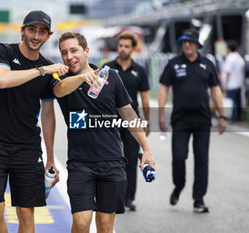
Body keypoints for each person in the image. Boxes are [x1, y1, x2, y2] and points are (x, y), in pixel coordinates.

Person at [0, 10, 69, 233]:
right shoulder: (4, 51)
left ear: (48, 36)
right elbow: (3, 80)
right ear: (22, 31)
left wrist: (50, 157)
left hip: (27, 146)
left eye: (42, 32)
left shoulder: (48, 68)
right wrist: (41, 70)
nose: (36, 36)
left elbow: (47, 114)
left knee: (26, 212)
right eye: (32, 30)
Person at [53, 31, 155, 233]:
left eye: (74, 50)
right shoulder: (61, 78)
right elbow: (60, 90)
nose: (69, 56)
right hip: (80, 163)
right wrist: (83, 77)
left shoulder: (111, 77)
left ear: (86, 51)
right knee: (81, 222)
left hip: (112, 161)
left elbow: (128, 114)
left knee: (105, 225)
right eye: (64, 52)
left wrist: (147, 149)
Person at [158, 28, 226, 213]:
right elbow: (164, 88)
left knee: (202, 159)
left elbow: (216, 90)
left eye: (190, 41)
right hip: (180, 119)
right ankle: (179, 186)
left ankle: (199, 199)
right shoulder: (173, 64)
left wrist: (221, 115)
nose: (186, 44)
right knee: (179, 157)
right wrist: (161, 114)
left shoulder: (207, 64)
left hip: (203, 119)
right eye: (184, 41)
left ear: (197, 44)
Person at [103, 31, 150, 211]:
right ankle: (113, 196)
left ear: (133, 48)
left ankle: (128, 197)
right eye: (120, 45)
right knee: (112, 158)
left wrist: (147, 121)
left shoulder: (140, 71)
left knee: (131, 159)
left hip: (131, 120)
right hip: (109, 120)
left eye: (126, 46)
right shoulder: (107, 68)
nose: (122, 49)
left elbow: (145, 98)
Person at [223, 40, 245, 122]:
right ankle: (238, 118)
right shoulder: (239, 57)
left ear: (228, 49)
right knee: (238, 102)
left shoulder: (229, 58)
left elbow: (227, 72)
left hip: (231, 84)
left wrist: (225, 85)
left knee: (233, 103)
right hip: (239, 84)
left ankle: (234, 119)